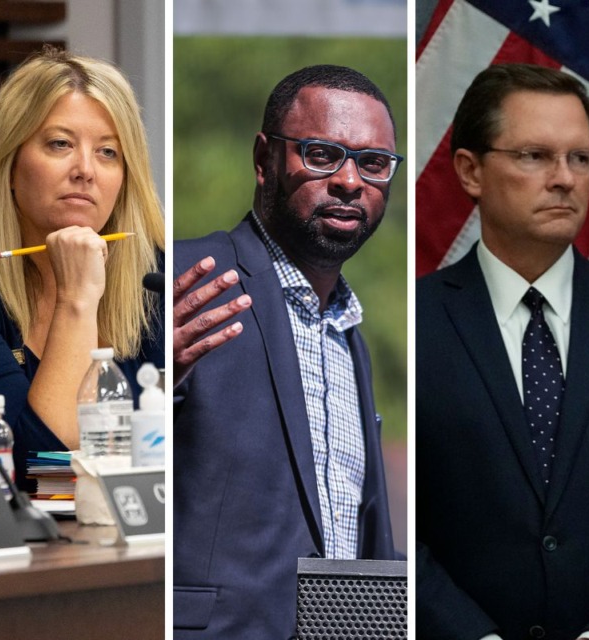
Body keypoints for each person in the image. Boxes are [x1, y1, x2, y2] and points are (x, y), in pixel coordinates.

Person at [417, 63, 589, 640]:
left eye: (580, 157)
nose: (565, 179)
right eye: (534, 156)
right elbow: (390, 521)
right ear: (470, 171)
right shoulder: (412, 322)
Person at [173, 65, 401, 639]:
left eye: (372, 163)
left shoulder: (349, 334)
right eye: (322, 154)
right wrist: (150, 375)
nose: (350, 181)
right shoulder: (187, 283)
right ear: (264, 160)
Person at [0, 48, 165, 486]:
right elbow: (41, 468)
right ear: (10, 164)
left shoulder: (151, 277)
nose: (85, 171)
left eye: (108, 152)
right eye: (60, 144)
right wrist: (77, 301)